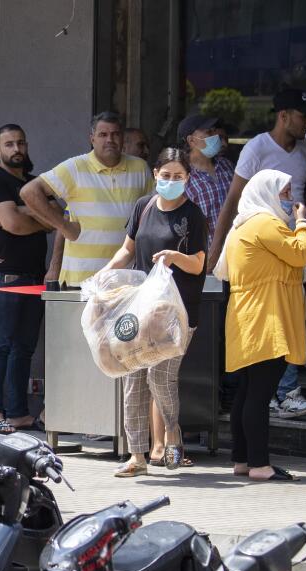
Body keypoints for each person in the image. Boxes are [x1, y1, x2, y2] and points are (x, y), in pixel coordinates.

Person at [209, 87, 306, 419]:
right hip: (261, 247)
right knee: (270, 319)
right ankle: (282, 392)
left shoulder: (305, 150)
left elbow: (305, 196)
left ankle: (281, 390)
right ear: (283, 116)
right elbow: (233, 200)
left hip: (295, 245)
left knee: (290, 316)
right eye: (303, 116)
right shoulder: (257, 148)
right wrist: (216, 253)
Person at [100, 148, 208, 477]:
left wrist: (175, 257)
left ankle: (172, 432)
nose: (171, 181)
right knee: (133, 377)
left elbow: (200, 263)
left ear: (188, 178)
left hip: (177, 311)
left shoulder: (193, 216)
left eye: (178, 176)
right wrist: (104, 273)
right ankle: (137, 455)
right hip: (140, 307)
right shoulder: (143, 207)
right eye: (166, 175)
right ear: (155, 175)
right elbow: (127, 249)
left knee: (160, 376)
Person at [214, 169, 306, 481]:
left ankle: (243, 459)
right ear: (266, 192)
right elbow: (299, 253)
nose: (290, 200)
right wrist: (304, 222)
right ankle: (259, 464)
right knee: (260, 392)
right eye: (284, 194)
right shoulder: (264, 223)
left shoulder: (243, 224)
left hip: (248, 315)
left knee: (248, 390)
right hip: (266, 318)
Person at [21, 111, 153, 287]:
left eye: (115, 134)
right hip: (81, 280)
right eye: (103, 135)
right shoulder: (75, 167)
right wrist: (63, 226)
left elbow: (152, 212)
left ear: (122, 138)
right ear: (92, 139)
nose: (110, 140)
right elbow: (29, 191)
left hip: (125, 280)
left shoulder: (140, 167)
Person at [0, 124, 49, 435]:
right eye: (9, 144)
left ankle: (18, 413)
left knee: (24, 348)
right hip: (4, 277)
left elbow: (57, 219)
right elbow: (13, 224)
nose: (16, 148)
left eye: (20, 142)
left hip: (35, 277)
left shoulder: (35, 183)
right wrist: (35, 216)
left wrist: (23, 212)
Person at [179, 114, 233, 239]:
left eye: (214, 131)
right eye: (209, 132)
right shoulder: (181, 177)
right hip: (203, 254)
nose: (215, 137)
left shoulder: (227, 166)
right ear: (191, 140)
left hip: (234, 250)